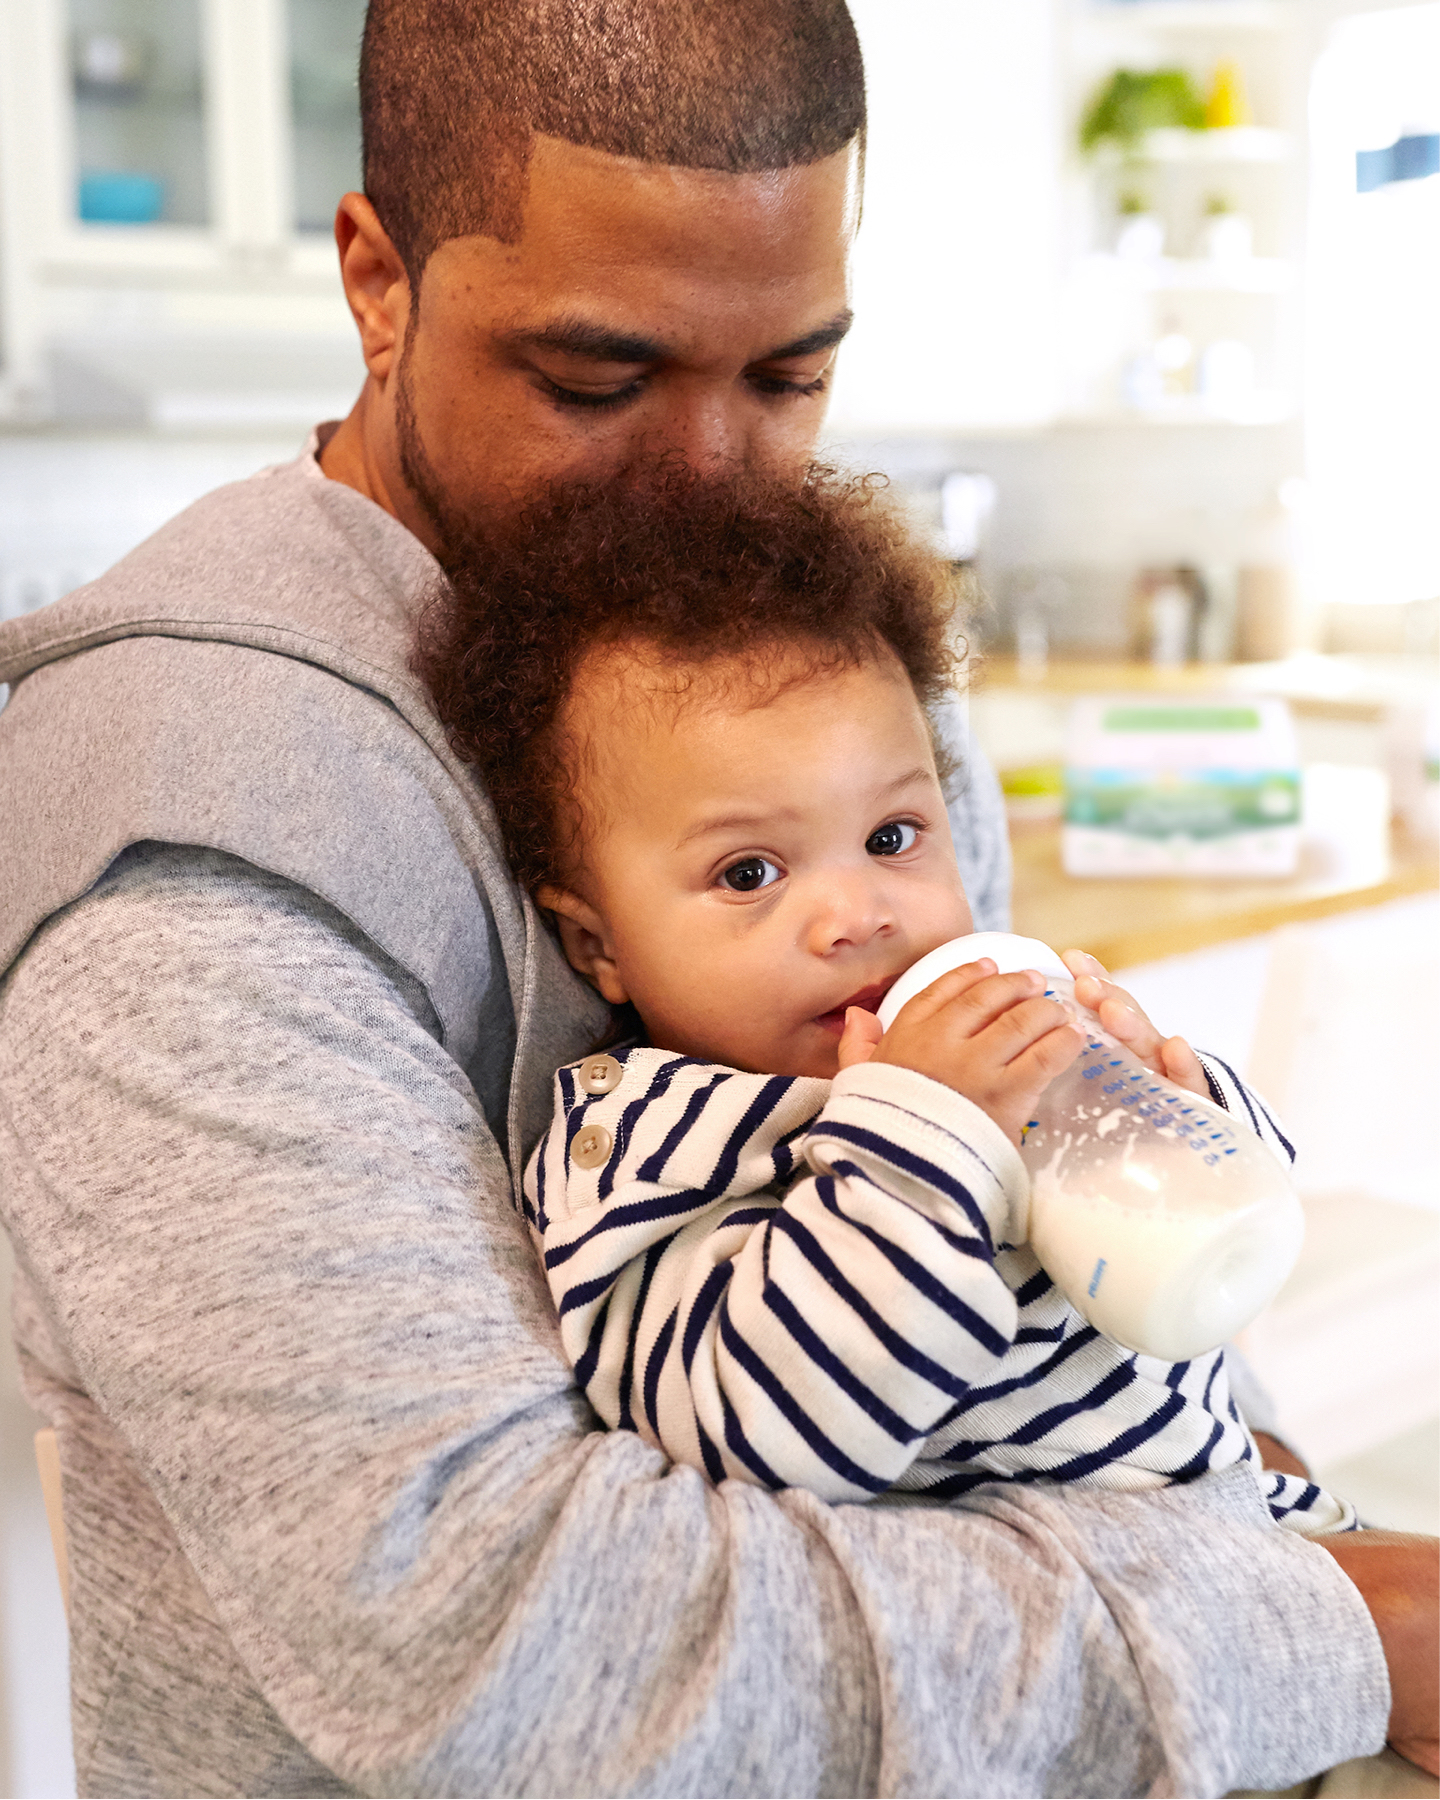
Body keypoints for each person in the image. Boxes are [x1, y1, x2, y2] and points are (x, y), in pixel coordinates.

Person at [0, 1, 1430, 1793]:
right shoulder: (192, 819)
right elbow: (499, 1649)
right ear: (377, 281)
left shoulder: (804, 651)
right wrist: (1326, 1634)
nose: (711, 485)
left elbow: (1082, 1251)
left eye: (788, 378)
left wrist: (1255, 1483)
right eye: (597, 381)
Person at [418, 463, 1354, 1535]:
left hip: (1261, 1537)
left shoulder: (1009, 1028)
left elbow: (1216, 1249)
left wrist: (1177, 1098)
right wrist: (928, 1134)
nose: (856, 915)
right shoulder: (643, 1153)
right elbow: (761, 1439)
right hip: (1063, 1624)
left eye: (892, 838)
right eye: (750, 874)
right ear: (601, 945)